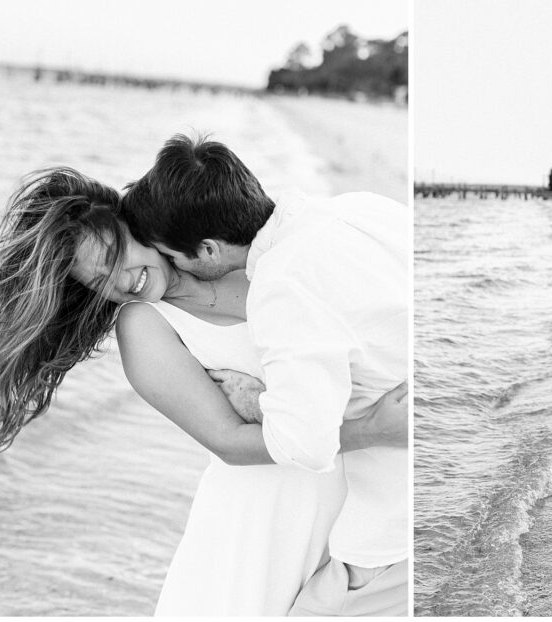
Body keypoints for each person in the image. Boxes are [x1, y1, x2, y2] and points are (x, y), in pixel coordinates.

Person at [0, 167, 402, 616]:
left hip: (361, 496)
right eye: (97, 283)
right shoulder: (146, 326)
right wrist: (372, 429)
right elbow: (227, 441)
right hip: (266, 511)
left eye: (113, 255)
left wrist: (266, 406)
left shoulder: (244, 252)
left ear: (131, 223)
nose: (120, 281)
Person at [122, 134, 409, 616]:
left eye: (172, 256)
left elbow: (305, 442)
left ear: (208, 250)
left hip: (385, 531)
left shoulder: (281, 286)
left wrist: (257, 402)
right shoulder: (364, 208)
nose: (172, 270)